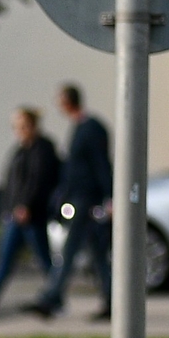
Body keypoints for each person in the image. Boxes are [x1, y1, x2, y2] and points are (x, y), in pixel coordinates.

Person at [34, 83, 112, 321]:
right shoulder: (79, 127)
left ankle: (52, 296)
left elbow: (101, 164)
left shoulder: (91, 129)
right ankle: (113, 301)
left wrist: (110, 197)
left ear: (68, 101)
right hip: (78, 197)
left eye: (60, 101)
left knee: (69, 250)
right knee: (98, 255)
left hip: (87, 200)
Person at [0, 107, 59, 316]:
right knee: (6, 256)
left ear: (33, 125)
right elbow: (12, 181)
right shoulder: (21, 150)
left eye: (22, 126)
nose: (19, 130)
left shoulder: (43, 149)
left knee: (43, 259)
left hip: (31, 216)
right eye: (16, 126)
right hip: (16, 214)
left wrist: (27, 206)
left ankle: (56, 296)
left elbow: (38, 182)